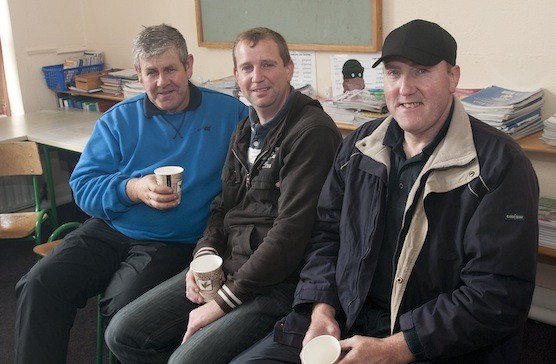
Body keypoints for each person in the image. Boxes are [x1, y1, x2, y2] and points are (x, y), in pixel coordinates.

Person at [232, 19, 539, 363]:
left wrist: (398, 347)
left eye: (421, 71)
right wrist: (322, 308)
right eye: (394, 73)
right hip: (346, 320)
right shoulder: (358, 148)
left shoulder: (499, 165)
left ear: (453, 77)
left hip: (432, 343)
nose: (404, 88)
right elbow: (326, 237)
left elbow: (497, 295)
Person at [104, 27, 342, 364]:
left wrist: (221, 302)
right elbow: (222, 207)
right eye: (247, 68)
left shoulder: (312, 132)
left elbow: (290, 236)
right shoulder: (245, 129)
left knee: (184, 361)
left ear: (289, 70)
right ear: (236, 76)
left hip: (277, 283)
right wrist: (203, 257)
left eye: (268, 65)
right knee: (123, 332)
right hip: (229, 265)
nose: (256, 77)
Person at [14, 24, 249, 364]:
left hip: (174, 240)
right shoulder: (119, 119)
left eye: (170, 69)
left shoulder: (230, 114)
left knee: (122, 306)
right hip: (109, 229)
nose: (161, 81)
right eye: (151, 72)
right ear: (138, 74)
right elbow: (83, 185)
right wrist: (132, 188)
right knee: (40, 285)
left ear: (189, 66)